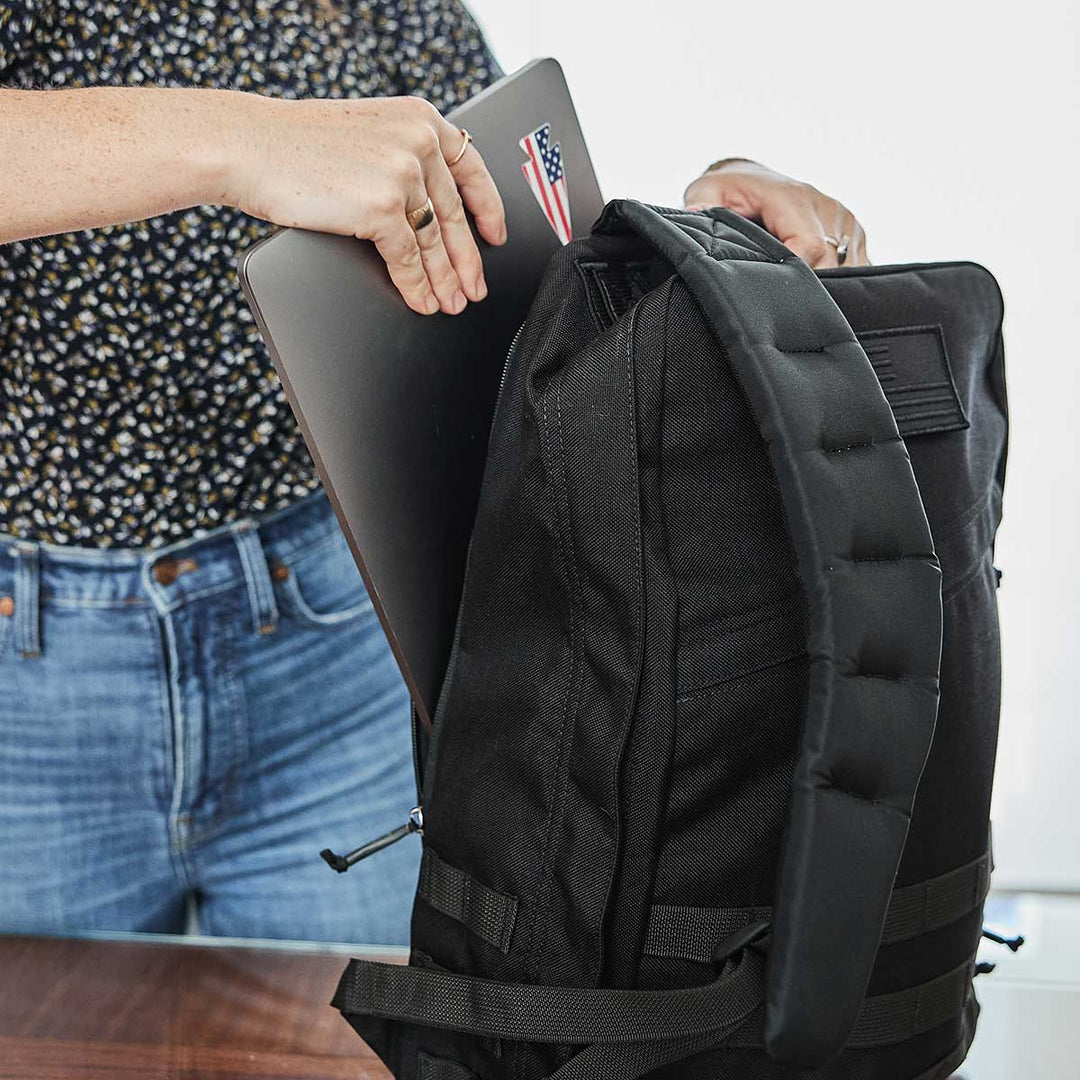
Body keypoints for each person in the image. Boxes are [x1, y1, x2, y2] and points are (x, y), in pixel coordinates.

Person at [0, 0, 869, 946]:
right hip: (35, 679)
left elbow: (507, 262)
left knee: (352, 1040)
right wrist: (244, 139)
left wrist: (716, 226)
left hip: (339, 630)